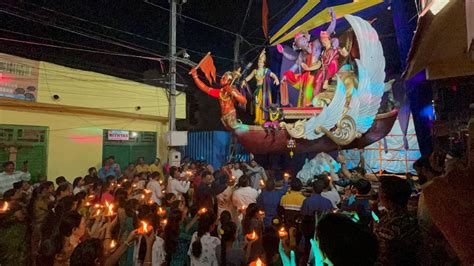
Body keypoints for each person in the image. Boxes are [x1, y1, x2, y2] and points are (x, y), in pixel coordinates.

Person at [374, 175, 420, 266]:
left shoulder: (388, 226)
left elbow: (383, 257)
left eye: (379, 191)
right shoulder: (413, 217)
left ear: (384, 195)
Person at [190, 65, 247, 129]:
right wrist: (195, 77)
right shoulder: (220, 92)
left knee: (236, 128)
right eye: (222, 77)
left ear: (229, 81)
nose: (221, 78)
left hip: (231, 115)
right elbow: (205, 88)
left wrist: (232, 92)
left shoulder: (232, 89)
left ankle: (248, 128)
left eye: (224, 78)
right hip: (224, 117)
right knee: (231, 132)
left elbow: (244, 101)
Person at [241, 50, 280, 125]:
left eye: (261, 62)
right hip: (257, 90)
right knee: (257, 104)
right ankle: (257, 119)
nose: (259, 63)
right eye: (259, 62)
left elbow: (273, 75)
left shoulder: (266, 71)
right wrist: (244, 81)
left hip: (265, 91)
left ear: (264, 63)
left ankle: (264, 119)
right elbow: (249, 77)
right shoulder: (255, 71)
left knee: (265, 104)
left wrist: (276, 79)